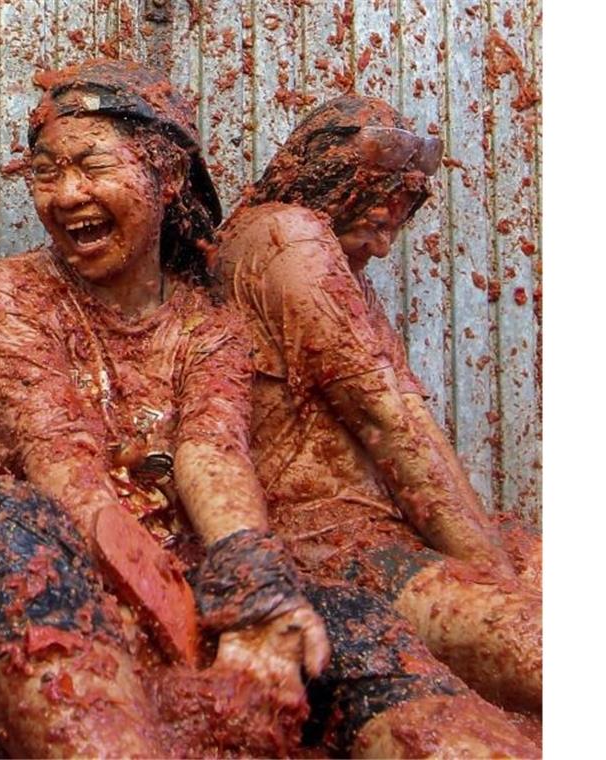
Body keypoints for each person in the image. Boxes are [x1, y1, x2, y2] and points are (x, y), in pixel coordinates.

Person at [0, 60, 536, 758]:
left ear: (169, 176)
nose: (65, 194)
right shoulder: (11, 294)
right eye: (45, 172)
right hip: (41, 572)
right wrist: (197, 637)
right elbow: (64, 468)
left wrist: (257, 589)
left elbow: (213, 454)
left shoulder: (208, 327)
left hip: (176, 574)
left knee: (352, 621)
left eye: (91, 166)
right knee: (1, 517)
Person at [208, 95, 542, 722]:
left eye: (403, 212)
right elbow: (388, 419)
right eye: (376, 208)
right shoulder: (290, 235)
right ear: (329, 181)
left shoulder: (322, 252)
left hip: (381, 535)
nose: (386, 246)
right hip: (335, 547)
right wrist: (494, 577)